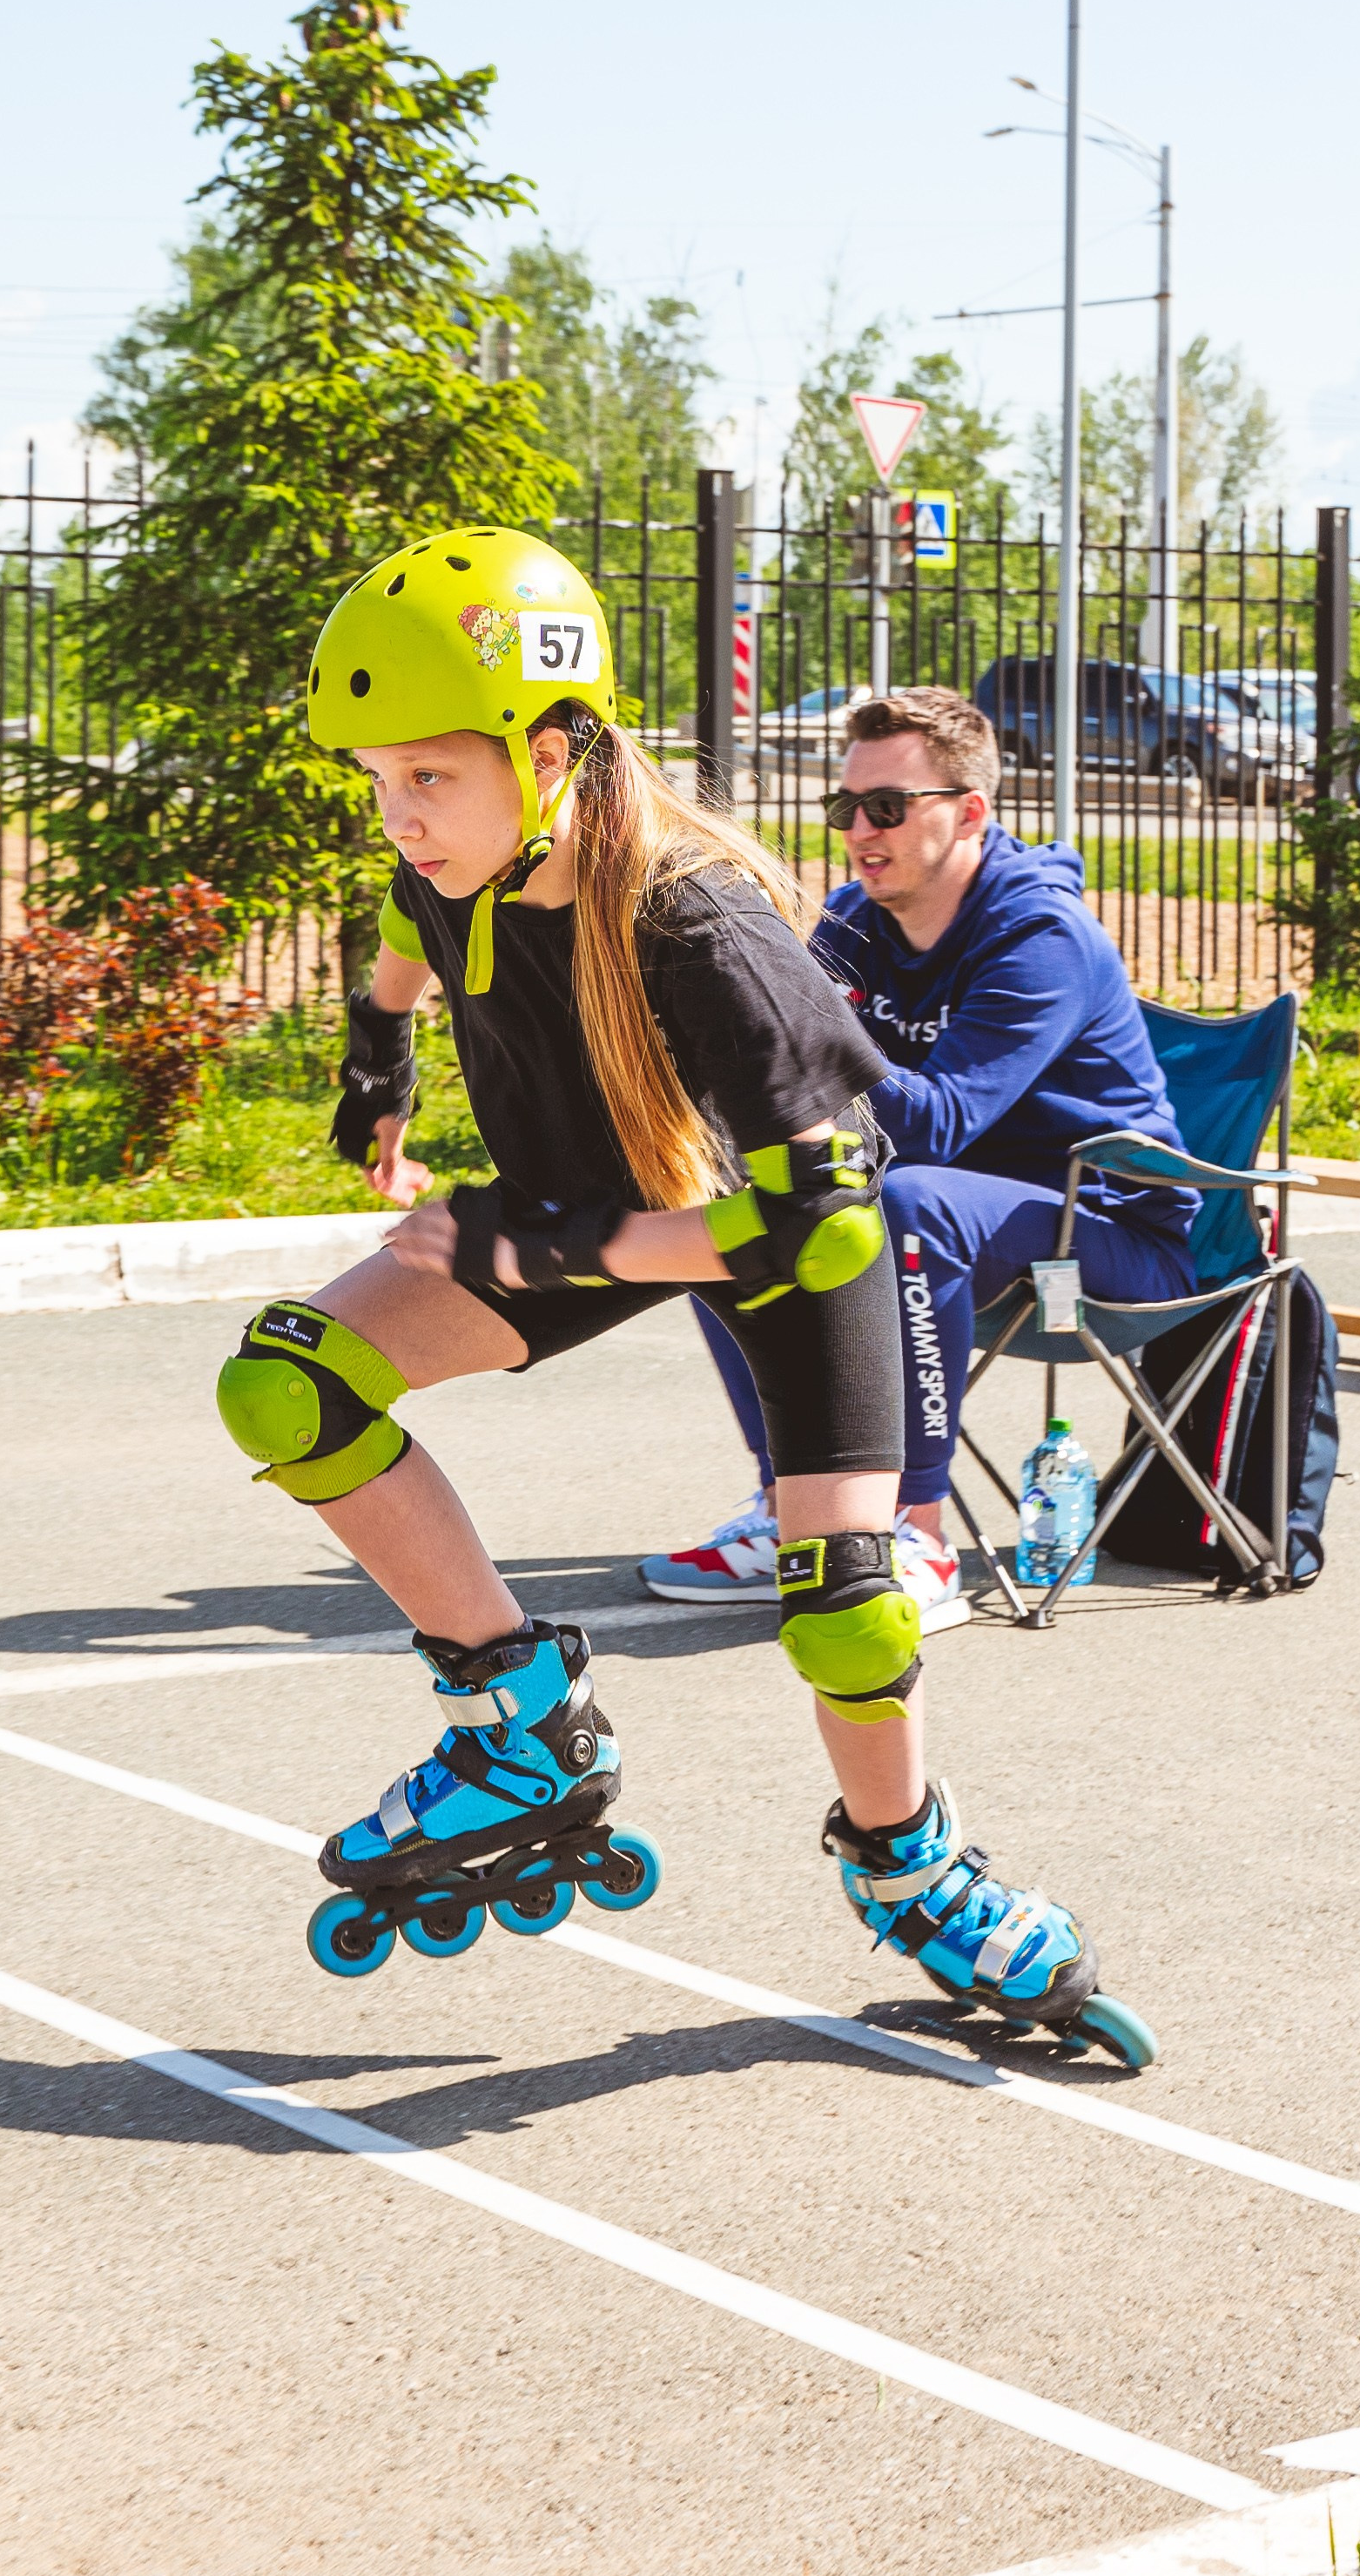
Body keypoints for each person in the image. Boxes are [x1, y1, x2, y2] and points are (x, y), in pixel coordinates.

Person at [212, 536, 1155, 2064]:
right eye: (379, 781)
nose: (399, 818)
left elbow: (824, 1212)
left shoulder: (698, 922)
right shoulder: (450, 864)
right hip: (584, 1220)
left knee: (845, 1611)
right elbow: (395, 943)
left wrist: (535, 1247)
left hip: (786, 1244)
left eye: (426, 780)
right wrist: (373, 1066)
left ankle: (909, 1862)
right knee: (284, 1386)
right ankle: (518, 1720)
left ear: (548, 745)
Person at [639, 683, 1200, 1630]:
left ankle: (915, 1532)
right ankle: (794, 1506)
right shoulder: (858, 918)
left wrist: (787, 1035)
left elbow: (934, 1121)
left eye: (888, 808)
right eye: (845, 807)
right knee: (729, 1200)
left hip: (1104, 1228)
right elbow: (789, 1076)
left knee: (911, 1204)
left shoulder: (1040, 935)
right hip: (963, 1216)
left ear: (970, 813)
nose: (860, 829)